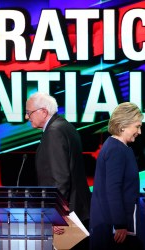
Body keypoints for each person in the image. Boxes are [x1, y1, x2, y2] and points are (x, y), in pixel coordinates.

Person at [25, 92, 91, 248]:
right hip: (78, 211)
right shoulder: (66, 126)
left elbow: (59, 178)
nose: (27, 117)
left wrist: (57, 215)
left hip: (68, 217)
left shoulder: (54, 132)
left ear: (44, 111)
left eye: (29, 113)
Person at [89, 102, 144, 250]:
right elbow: (113, 189)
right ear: (123, 125)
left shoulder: (120, 147)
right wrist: (120, 224)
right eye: (137, 126)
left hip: (116, 224)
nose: (139, 132)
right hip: (112, 228)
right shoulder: (116, 149)